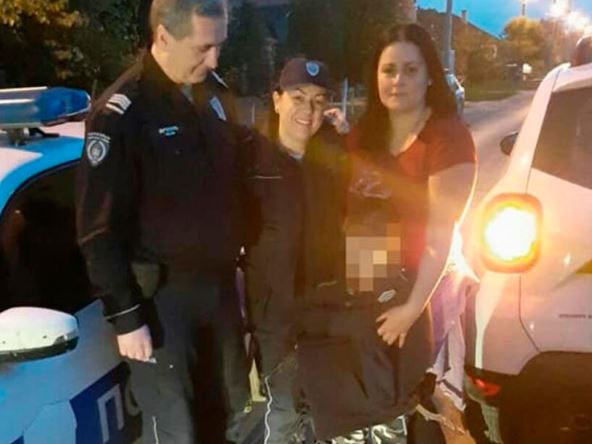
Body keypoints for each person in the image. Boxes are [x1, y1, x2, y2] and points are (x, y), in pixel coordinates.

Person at [76, 1, 250, 442]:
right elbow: (98, 229)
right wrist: (126, 315)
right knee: (177, 429)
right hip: (162, 303)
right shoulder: (122, 113)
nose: (215, 60)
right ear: (164, 37)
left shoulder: (214, 94)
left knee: (230, 413)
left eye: (220, 45)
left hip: (218, 293)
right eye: (203, 47)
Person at [297, 23, 477, 443]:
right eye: (389, 70)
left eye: (410, 70)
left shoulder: (446, 138)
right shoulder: (365, 136)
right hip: (364, 294)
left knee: (422, 410)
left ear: (430, 76)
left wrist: (412, 308)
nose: (398, 81)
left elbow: (440, 235)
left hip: (421, 293)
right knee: (365, 412)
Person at [243, 57, 350, 444]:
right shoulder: (250, 160)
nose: (308, 110)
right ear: (276, 100)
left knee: (328, 413)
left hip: (328, 312)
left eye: (319, 101)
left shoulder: (336, 157)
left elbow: (359, 222)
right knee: (285, 413)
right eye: (298, 97)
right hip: (277, 318)